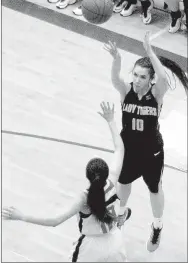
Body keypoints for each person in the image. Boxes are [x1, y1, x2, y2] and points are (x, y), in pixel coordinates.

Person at [2, 102, 131, 262]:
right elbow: (120, 149)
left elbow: (55, 220)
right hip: (115, 242)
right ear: (106, 172)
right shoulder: (112, 178)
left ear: (88, 176)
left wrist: (22, 216)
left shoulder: (84, 198)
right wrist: (111, 121)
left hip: (90, 249)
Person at [104, 31, 188, 252]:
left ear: (150, 80)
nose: (138, 80)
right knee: (122, 187)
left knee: (155, 189)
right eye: (136, 75)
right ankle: (121, 215)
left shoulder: (157, 94)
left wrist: (150, 52)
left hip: (151, 153)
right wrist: (117, 60)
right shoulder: (126, 91)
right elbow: (115, 79)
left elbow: (163, 78)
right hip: (129, 151)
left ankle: (157, 225)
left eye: (143, 77)